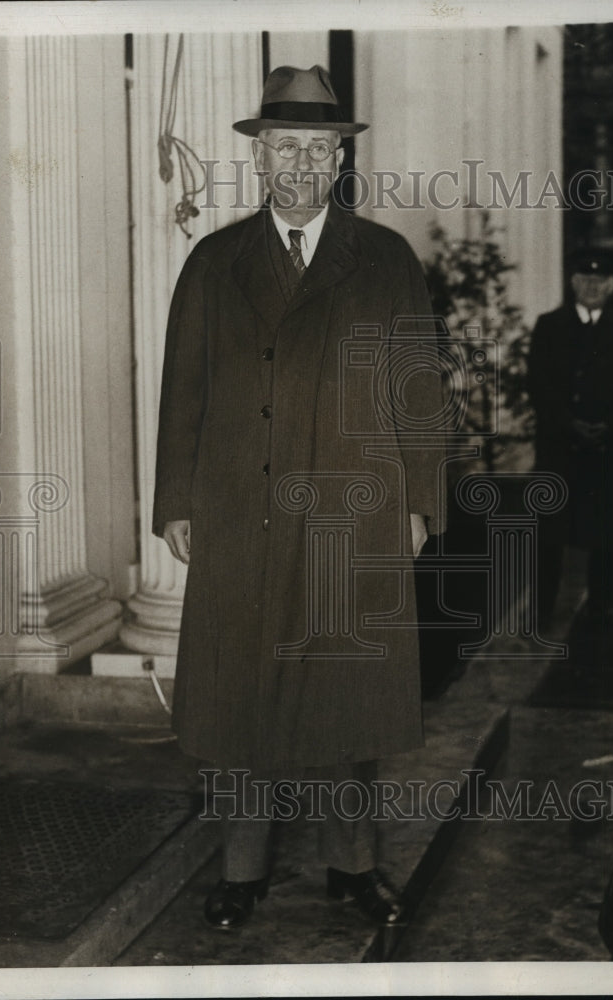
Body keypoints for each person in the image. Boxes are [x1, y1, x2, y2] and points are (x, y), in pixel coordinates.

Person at [152, 65, 445, 930]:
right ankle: (241, 871)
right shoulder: (214, 261)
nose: (303, 164)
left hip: (350, 514)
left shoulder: (384, 259)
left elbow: (417, 389)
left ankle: (351, 870)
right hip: (239, 511)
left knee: (340, 698)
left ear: (338, 160)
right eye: (287, 147)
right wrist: (176, 500)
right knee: (242, 699)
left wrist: (419, 501)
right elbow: (183, 392)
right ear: (261, 156)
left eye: (319, 149)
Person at [527, 247, 613, 630]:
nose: (593, 286)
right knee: (550, 534)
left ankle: (601, 608)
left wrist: (611, 425)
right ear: (574, 283)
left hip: (609, 446)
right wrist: (569, 423)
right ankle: (543, 610)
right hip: (560, 447)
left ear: (611, 286)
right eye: (586, 279)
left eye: (600, 281)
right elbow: (538, 385)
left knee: (606, 532)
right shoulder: (549, 325)